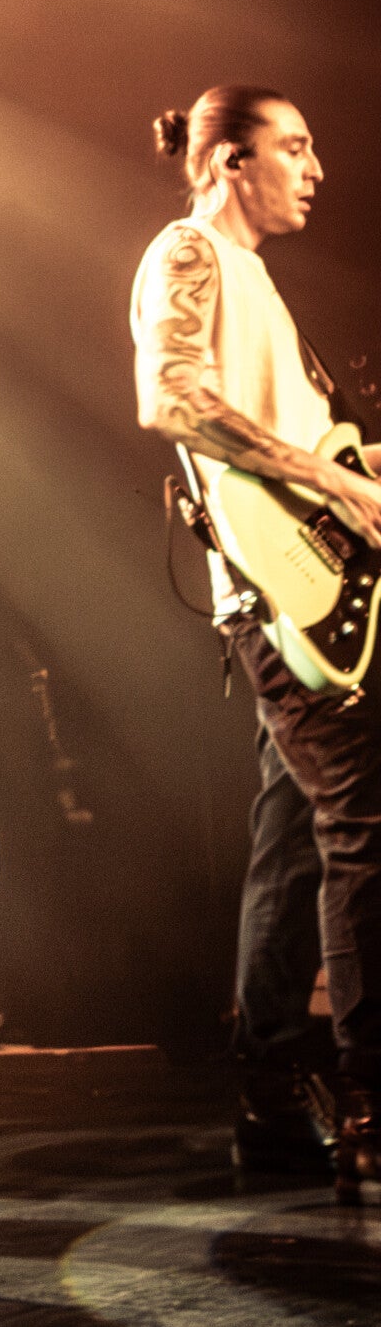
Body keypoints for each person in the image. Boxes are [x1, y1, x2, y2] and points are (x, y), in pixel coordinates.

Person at [132, 86, 381, 1191]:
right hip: (279, 592)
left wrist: (350, 468)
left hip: (295, 585)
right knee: (366, 825)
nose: (316, 167)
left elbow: (302, 437)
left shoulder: (255, 279)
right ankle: (370, 1097)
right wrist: (334, 480)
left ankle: (271, 1094)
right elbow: (173, 397)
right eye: (294, 145)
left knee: (292, 841)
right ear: (230, 160)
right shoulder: (190, 252)